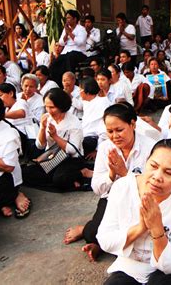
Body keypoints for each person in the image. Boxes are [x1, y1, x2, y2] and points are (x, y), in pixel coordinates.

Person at [97, 138, 171, 285]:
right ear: (146, 161)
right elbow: (105, 241)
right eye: (153, 166)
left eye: (168, 173)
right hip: (131, 266)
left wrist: (157, 229)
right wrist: (140, 228)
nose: (157, 177)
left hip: (170, 269)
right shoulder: (122, 188)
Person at [64, 103, 156, 261]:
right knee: (92, 233)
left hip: (141, 199)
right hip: (112, 198)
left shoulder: (150, 147)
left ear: (133, 124)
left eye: (119, 130)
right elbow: (98, 190)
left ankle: (99, 243)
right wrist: (112, 175)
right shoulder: (106, 148)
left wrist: (125, 174)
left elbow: (152, 187)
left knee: (143, 234)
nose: (115, 136)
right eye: (110, 131)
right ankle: (90, 232)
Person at [22, 88, 87, 191]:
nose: (49, 110)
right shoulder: (47, 118)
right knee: (24, 173)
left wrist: (55, 136)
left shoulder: (73, 122)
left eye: (52, 107)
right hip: (52, 158)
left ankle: (80, 173)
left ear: (61, 106)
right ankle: (68, 179)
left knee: (59, 180)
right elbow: (40, 146)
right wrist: (42, 128)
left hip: (70, 159)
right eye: (46, 107)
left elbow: (72, 150)